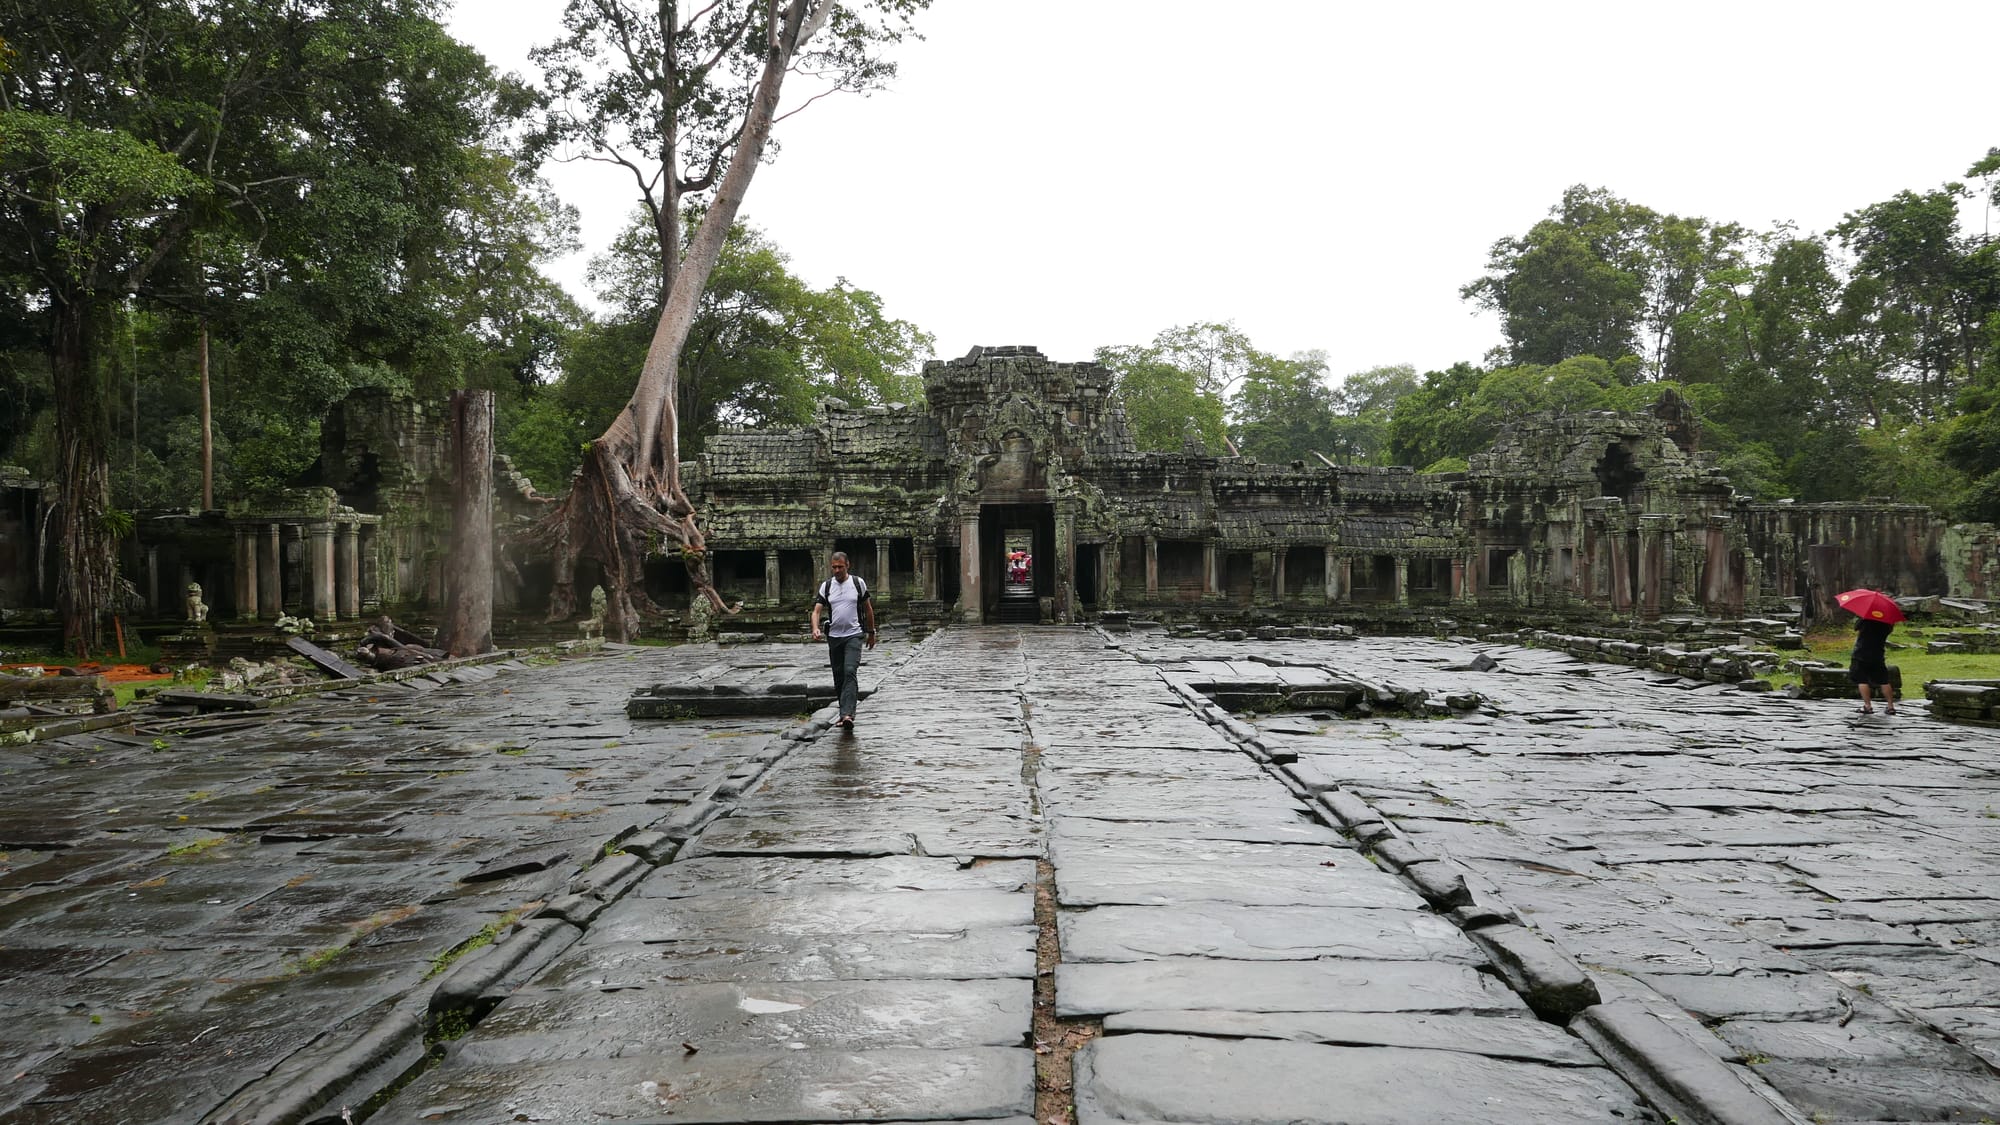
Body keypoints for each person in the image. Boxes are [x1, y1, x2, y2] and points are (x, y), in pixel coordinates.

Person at [809, 551, 875, 728]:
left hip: (854, 634)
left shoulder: (857, 583)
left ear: (848, 565)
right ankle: (843, 712)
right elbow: (816, 611)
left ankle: (848, 715)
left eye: (840, 567)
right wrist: (815, 628)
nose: (836, 570)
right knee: (838, 676)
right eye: (834, 567)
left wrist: (871, 632)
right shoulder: (827, 586)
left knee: (849, 670)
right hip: (835, 637)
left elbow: (868, 609)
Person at [1849, 612, 1896, 715]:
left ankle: (1867, 706)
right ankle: (1890, 706)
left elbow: (1856, 627)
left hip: (1861, 653)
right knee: (1884, 680)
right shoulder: (1887, 623)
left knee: (1862, 679)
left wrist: (1863, 617)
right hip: (1878, 654)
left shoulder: (1866, 619)